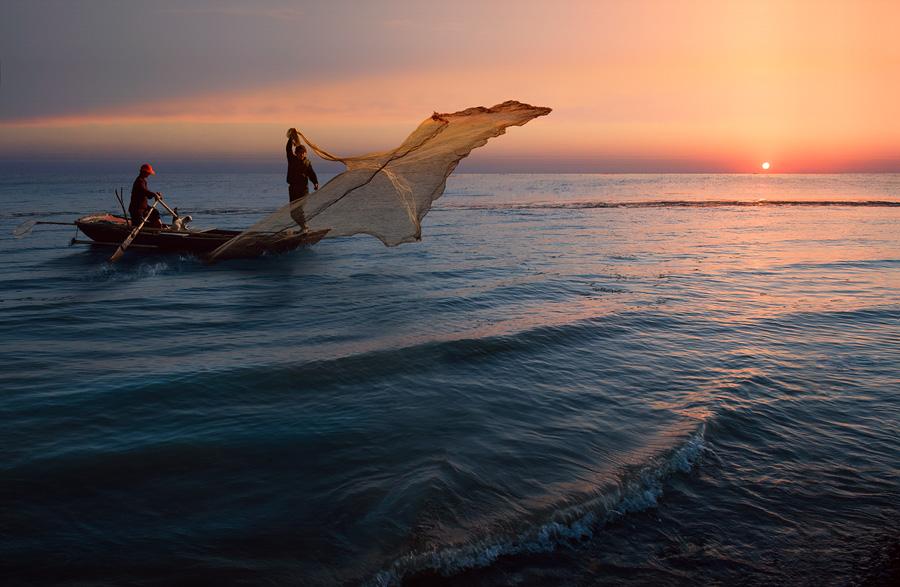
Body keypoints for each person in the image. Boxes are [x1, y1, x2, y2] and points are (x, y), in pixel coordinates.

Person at [286, 129, 319, 230]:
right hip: (293, 189)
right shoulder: (292, 160)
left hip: (303, 189)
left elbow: (311, 173)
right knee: (293, 213)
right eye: (299, 153)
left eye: (303, 153)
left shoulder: (307, 163)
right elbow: (288, 149)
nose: (301, 155)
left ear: (305, 153)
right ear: (296, 153)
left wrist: (315, 183)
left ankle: (305, 227)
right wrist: (291, 138)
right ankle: (303, 227)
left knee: (299, 209)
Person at [129, 163, 164, 229]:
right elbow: (144, 191)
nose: (149, 174)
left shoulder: (143, 181)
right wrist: (154, 194)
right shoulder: (139, 181)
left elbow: (147, 195)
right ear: (144, 172)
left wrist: (155, 194)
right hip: (137, 209)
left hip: (144, 207)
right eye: (149, 173)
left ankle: (158, 227)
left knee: (155, 212)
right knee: (138, 226)